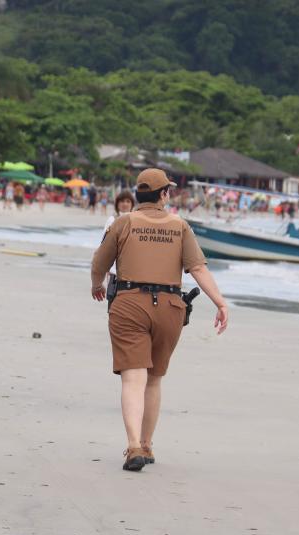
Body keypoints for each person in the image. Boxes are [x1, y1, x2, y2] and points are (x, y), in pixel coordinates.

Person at [91, 168, 229, 472]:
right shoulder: (180, 226)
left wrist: (96, 285)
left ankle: (133, 447)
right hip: (169, 306)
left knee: (133, 378)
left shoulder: (123, 223)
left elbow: (99, 262)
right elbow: (198, 269)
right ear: (164, 194)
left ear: (138, 194)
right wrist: (219, 302)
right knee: (154, 379)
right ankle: (147, 444)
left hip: (129, 303)